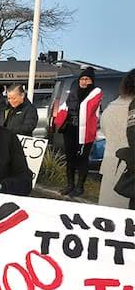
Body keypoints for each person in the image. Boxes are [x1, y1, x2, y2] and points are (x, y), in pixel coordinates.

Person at [54, 67, 103, 197]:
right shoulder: (74, 92)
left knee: (82, 159)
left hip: (85, 130)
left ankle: (80, 186)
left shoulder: (96, 92)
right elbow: (65, 107)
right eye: (81, 79)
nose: (83, 81)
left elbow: (87, 106)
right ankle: (70, 185)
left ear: (92, 81)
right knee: (70, 158)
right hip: (70, 129)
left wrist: (74, 104)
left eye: (86, 79)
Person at [99, 69, 135, 209]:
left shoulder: (112, 106)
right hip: (129, 172)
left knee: (107, 217)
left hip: (110, 163)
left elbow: (104, 130)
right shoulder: (130, 107)